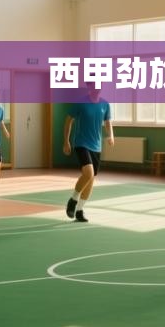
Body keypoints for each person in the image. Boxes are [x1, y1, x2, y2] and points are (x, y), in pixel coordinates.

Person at [62, 83, 113, 223]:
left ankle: (79, 210)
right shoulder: (81, 102)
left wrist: (111, 135)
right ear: (89, 87)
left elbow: (107, 122)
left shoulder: (105, 104)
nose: (98, 87)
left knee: (91, 179)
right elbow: (68, 121)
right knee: (88, 173)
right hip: (81, 143)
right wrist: (66, 141)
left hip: (96, 146)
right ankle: (73, 200)